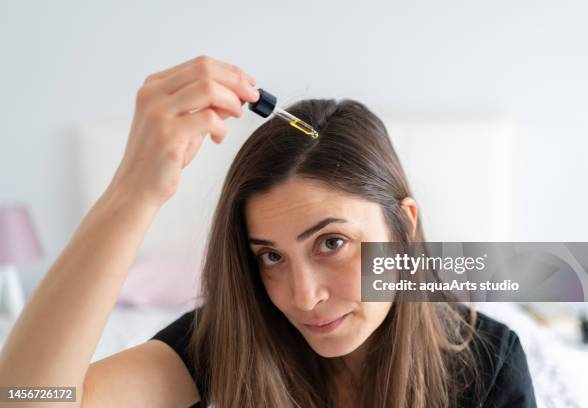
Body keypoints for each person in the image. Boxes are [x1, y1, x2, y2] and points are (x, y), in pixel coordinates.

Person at [0, 55, 536, 408]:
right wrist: (133, 192)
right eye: (271, 257)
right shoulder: (225, 342)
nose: (304, 297)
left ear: (404, 229)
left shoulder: (486, 363)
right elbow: (28, 399)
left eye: (332, 243)